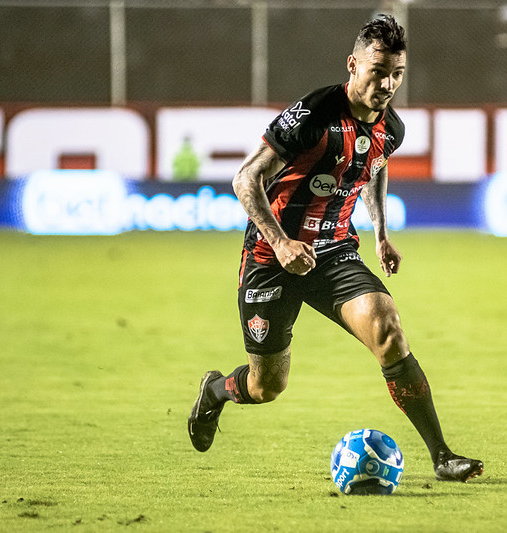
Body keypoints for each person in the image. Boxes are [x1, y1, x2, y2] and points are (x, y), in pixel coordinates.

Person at [188, 14, 483, 483]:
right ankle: (216, 392)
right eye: (378, 71)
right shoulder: (313, 116)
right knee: (267, 386)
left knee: (388, 329)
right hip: (272, 258)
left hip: (333, 252)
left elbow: (374, 164)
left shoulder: (392, 128)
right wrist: (281, 243)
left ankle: (442, 456)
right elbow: (245, 178)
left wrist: (381, 231)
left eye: (397, 74)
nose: (387, 84)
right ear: (353, 64)